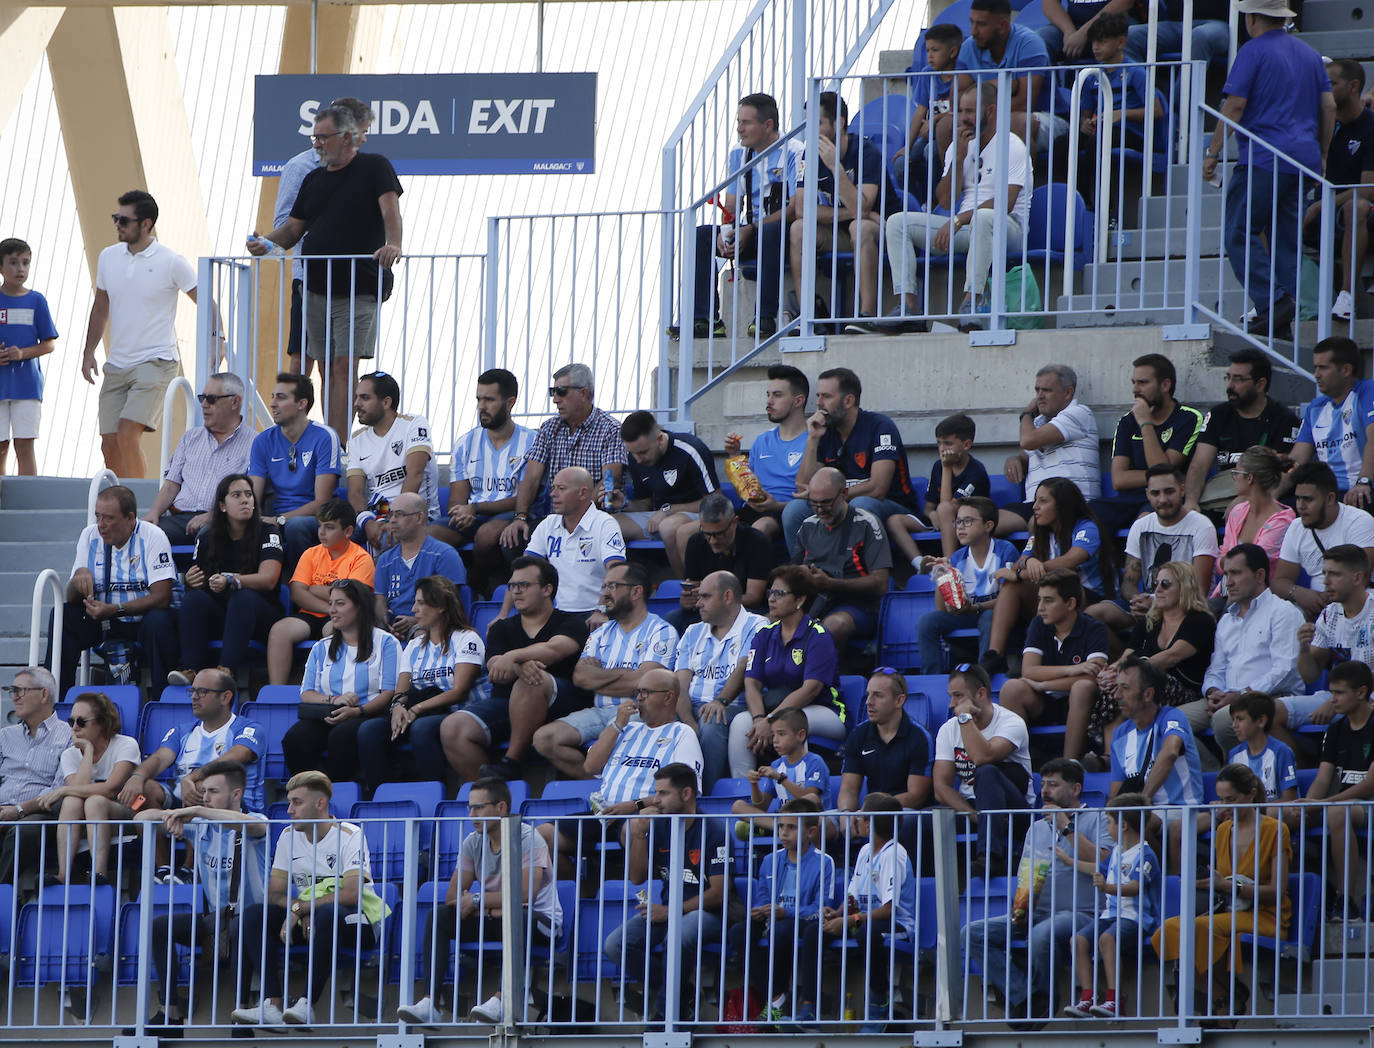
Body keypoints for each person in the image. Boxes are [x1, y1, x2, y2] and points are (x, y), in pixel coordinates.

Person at [248, 103, 403, 439]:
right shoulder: (313, 178)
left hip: (358, 285)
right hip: (317, 287)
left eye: (323, 137)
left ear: (347, 137)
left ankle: (339, 443)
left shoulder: (375, 167)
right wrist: (266, 243)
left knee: (345, 366)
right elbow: (292, 229)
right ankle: (325, 439)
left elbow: (391, 209)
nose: (317, 143)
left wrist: (393, 244)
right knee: (322, 367)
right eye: (314, 137)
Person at [1201, 0, 1333, 341]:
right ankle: (1283, 320)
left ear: (1252, 18)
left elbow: (1235, 104)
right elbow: (1328, 105)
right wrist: (1323, 152)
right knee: (1286, 241)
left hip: (1265, 157)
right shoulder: (1308, 53)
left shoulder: (1252, 51)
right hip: (1303, 157)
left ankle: (1273, 302)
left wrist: (1212, 151)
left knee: (1239, 232)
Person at [395, 777, 560, 1027]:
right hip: (496, 916)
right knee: (439, 915)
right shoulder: (473, 841)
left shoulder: (529, 838)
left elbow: (525, 895)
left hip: (539, 923)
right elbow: (452, 897)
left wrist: (476, 899)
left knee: (519, 916)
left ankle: (504, 999)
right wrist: (491, 906)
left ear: (501, 808)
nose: (472, 814)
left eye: (479, 807)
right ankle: (431, 1003)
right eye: (470, 807)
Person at [962, 759, 1112, 1028]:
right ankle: (1028, 997)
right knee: (972, 932)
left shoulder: (1098, 818)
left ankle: (1043, 998)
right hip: (1037, 911)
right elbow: (1028, 873)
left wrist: (1065, 826)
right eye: (1043, 784)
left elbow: (1104, 863)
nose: (1045, 791)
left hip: (1084, 913)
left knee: (1041, 933)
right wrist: (1021, 906)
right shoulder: (1037, 826)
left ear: (1076, 788)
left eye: (1053, 785)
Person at [231, 771, 389, 1029]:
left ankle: (307, 1005)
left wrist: (303, 908)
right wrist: (300, 910)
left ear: (320, 804)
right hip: (311, 918)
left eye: (297, 802)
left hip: (356, 920)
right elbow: (274, 893)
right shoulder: (287, 836)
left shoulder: (351, 834)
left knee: (328, 915)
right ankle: (273, 1004)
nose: (290, 810)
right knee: (254, 914)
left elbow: (351, 894)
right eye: (289, 802)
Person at [133, 759, 270, 1035]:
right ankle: (169, 1013)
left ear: (236, 794)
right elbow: (139, 818)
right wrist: (172, 814)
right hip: (216, 921)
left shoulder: (256, 820)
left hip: (256, 921)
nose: (205, 798)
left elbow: (256, 828)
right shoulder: (201, 824)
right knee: (162, 925)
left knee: (239, 924)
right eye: (203, 791)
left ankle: (240, 1014)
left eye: (213, 792)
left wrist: (196, 810)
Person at [884, 83, 1032, 331]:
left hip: (1008, 229)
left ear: (991, 111)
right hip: (967, 227)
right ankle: (908, 307)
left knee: (985, 217)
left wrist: (957, 220)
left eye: (971, 111)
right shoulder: (958, 146)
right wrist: (959, 158)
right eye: (961, 111)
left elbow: (1006, 203)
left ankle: (972, 302)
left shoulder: (1012, 145)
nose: (964, 118)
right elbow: (944, 200)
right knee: (897, 223)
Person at [1151, 763, 1291, 1016]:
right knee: (1170, 928)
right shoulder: (1223, 829)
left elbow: (1276, 892)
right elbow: (1221, 881)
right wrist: (1204, 883)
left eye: (1232, 799)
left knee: (1201, 927)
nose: (1225, 807)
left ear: (1251, 794)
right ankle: (1222, 993)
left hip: (1265, 914)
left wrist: (1227, 886)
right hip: (1228, 910)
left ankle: (1221, 1004)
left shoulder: (1275, 829)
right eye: (1221, 799)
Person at [537, 673, 704, 881]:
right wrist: (616, 725)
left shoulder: (682, 733)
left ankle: (638, 892)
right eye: (638, 692)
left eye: (646, 692)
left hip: (646, 813)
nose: (639, 698)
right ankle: (583, 889)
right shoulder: (626, 729)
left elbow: (683, 792)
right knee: (540, 836)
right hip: (605, 814)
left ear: (668, 697)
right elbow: (590, 766)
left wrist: (634, 805)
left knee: (634, 825)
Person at [441, 557, 590, 785]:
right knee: (453, 728)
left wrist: (514, 657)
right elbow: (495, 668)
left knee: (532, 679)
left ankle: (512, 761)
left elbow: (556, 649)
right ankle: (494, 795)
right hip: (507, 704)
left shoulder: (571, 621)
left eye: (524, 586)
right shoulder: (501, 628)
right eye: (512, 586)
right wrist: (520, 664)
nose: (515, 593)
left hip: (562, 704)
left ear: (547, 589)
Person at [83, 189, 199, 479]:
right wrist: (88, 352)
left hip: (156, 361)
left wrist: (217, 339)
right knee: (109, 444)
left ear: (145, 224)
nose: (118, 225)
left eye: (124, 220)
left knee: (127, 434)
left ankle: (140, 505)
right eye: (116, 218)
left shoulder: (171, 261)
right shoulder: (108, 257)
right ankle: (120, 505)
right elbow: (100, 308)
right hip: (117, 363)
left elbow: (205, 299)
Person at [669, 92, 800, 340]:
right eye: (739, 122)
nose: (739, 129)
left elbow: (794, 208)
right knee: (703, 236)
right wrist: (727, 232)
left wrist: (750, 228)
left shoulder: (794, 151)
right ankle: (704, 318)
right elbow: (731, 204)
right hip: (750, 231)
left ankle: (765, 318)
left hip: (783, 234)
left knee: (770, 232)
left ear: (768, 125)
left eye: (745, 123)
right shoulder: (738, 155)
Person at [534, 562, 678, 778]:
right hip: (599, 712)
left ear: (636, 591)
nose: (604, 594)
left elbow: (644, 685)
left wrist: (601, 676)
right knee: (544, 739)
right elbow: (581, 677)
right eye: (604, 587)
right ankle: (599, 787)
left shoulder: (661, 631)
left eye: (612, 586)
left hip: (638, 712)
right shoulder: (600, 633)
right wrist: (629, 677)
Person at [606, 763, 726, 1021]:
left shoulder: (713, 829)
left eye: (663, 793)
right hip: (668, 911)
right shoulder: (658, 826)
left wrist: (671, 911)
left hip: (707, 913)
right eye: (656, 793)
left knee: (678, 934)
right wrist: (639, 831)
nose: (655, 801)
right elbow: (637, 877)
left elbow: (718, 894)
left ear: (686, 794)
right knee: (615, 945)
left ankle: (666, 1014)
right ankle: (682, 992)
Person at [117, 668, 267, 876]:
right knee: (145, 790)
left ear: (225, 697)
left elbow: (235, 756)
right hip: (184, 804)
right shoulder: (183, 731)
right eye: (193, 691)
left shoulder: (248, 729)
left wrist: (192, 778)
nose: (194, 697)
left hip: (235, 809)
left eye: (202, 692)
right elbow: (159, 758)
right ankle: (163, 868)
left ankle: (188, 869)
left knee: (203, 788)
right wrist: (137, 777)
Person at [793, 793, 916, 1033]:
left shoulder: (894, 854)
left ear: (870, 822)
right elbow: (853, 896)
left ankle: (879, 1006)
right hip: (864, 920)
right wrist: (836, 913)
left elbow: (890, 910)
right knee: (814, 931)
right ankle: (810, 1009)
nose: (856, 820)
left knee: (867, 933)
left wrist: (850, 919)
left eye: (860, 815)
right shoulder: (864, 851)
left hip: (897, 924)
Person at [357, 576, 483, 791]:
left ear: (442, 606)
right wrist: (398, 707)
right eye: (415, 602)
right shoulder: (414, 646)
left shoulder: (467, 639)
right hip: (421, 710)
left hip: (459, 711)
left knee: (421, 729)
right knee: (369, 730)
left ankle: (435, 793)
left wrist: (414, 709)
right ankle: (383, 795)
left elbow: (459, 691)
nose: (414, 609)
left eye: (421, 603)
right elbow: (402, 688)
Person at [982, 477, 1113, 675]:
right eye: (1035, 500)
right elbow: (1021, 561)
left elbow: (1070, 561)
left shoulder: (1086, 527)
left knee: (1041, 590)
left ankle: (1035, 656)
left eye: (1043, 501)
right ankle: (994, 656)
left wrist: (1027, 571)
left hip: (1087, 596)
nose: (1035, 507)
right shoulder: (1042, 532)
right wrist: (1028, 562)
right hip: (1053, 595)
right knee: (1012, 587)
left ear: (1062, 505)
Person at [783, 367, 921, 555]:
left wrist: (832, 498)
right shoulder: (825, 430)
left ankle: (855, 575)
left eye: (826, 397)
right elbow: (803, 487)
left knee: (860, 506)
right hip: (840, 502)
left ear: (848, 400)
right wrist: (812, 439)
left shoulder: (880, 426)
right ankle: (804, 574)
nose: (819, 404)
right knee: (794, 511)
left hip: (892, 506)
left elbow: (878, 488)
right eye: (818, 396)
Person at [53, 484, 175, 695]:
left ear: (130, 519)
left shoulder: (153, 536)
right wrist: (77, 580)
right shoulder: (89, 536)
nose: (101, 525)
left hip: (141, 620)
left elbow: (162, 597)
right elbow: (72, 597)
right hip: (103, 620)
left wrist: (115, 609)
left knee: (159, 621)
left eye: (109, 518)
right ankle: (59, 698)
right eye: (98, 516)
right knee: (63, 615)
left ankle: (161, 696)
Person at [730, 565, 849, 776]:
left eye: (780, 593)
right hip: (775, 709)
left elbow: (810, 689)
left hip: (824, 710)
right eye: (770, 592)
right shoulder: (764, 634)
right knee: (741, 723)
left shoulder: (818, 635)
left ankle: (798, 789)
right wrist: (759, 718)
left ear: (800, 600)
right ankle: (746, 791)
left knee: (789, 725)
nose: (771, 599)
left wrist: (771, 720)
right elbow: (751, 683)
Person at [499, 363, 628, 556]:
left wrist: (577, 516)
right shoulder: (549, 428)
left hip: (593, 518)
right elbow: (531, 478)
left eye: (561, 392)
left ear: (584, 393)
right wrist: (520, 517)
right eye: (553, 392)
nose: (555, 399)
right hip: (553, 520)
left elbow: (610, 481)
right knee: (514, 539)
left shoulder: (610, 429)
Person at [281, 579, 401, 783]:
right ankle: (308, 790)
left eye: (340, 604)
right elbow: (307, 693)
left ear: (360, 607)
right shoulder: (321, 647)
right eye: (331, 604)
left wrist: (357, 711)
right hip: (331, 711)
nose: (332, 610)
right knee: (295, 739)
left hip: (370, 713)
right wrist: (335, 700)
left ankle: (336, 793)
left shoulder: (386, 642)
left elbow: (389, 692)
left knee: (342, 735)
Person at [432, 368, 539, 594]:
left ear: (510, 402)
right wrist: (461, 513)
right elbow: (457, 500)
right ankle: (434, 596)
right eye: (479, 399)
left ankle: (478, 584)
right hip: (474, 513)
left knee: (488, 535)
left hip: (513, 513)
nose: (481, 406)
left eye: (489, 399)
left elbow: (523, 498)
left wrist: (476, 507)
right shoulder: (465, 442)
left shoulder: (532, 442)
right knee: (427, 537)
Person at [727, 798, 835, 1019]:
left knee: (783, 929)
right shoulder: (769, 860)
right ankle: (775, 997)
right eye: (781, 827)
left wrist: (788, 912)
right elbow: (763, 895)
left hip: (801, 920)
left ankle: (780, 1005)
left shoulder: (824, 862)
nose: (783, 833)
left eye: (791, 827)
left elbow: (822, 908)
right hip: (773, 918)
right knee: (738, 932)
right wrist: (759, 909)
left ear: (811, 832)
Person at [170, 474, 284, 681]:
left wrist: (232, 580)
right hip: (223, 613)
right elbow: (199, 582)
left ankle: (226, 669)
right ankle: (190, 669)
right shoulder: (206, 536)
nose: (245, 500)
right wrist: (191, 581)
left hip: (261, 615)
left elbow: (269, 579)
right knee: (194, 599)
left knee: (243, 596)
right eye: (237, 495)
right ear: (222, 505)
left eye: (249, 495)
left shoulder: (268, 531)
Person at [1193, 544, 1305, 754]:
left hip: (1272, 698)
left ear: (1260, 575)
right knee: (1172, 723)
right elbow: (1216, 668)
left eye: (1236, 573)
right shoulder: (1226, 620)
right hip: (1228, 698)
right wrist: (1213, 691)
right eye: (1226, 574)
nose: (1229, 582)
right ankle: (1213, 775)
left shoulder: (1283, 612)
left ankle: (1240, 777)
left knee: (1223, 720)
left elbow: (1285, 670)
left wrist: (1242, 695)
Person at [790, 91, 884, 331]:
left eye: (818, 123)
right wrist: (854, 212)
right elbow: (802, 209)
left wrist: (835, 167)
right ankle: (806, 316)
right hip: (841, 231)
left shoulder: (866, 151)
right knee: (799, 228)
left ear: (839, 122)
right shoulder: (808, 156)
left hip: (880, 230)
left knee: (860, 226)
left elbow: (862, 206)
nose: (811, 131)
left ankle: (866, 315)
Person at [1097, 562, 1216, 750]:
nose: (1158, 590)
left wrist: (1134, 672)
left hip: (1186, 692)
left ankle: (1113, 756)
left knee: (1133, 684)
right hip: (1149, 685)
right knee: (1115, 687)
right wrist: (1111, 672)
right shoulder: (1148, 622)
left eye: (1166, 584)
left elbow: (1172, 656)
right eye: (1155, 584)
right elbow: (1126, 657)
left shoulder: (1200, 620)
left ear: (1185, 587)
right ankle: (1111, 756)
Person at [1062, 792, 1159, 1021]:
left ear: (1123, 825)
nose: (1107, 827)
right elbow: (1098, 869)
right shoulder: (1116, 850)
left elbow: (1136, 887)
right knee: (1078, 940)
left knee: (1107, 939)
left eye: (1109, 822)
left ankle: (1115, 999)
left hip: (1135, 918)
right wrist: (1068, 861)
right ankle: (1087, 998)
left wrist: (1106, 888)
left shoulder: (1145, 854)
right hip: (1112, 915)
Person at [1087, 464, 1219, 633]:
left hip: (1188, 607)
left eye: (1169, 491)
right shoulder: (1141, 526)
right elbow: (1128, 584)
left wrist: (1157, 603)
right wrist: (1138, 600)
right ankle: (1120, 657)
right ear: (1147, 495)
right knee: (1092, 615)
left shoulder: (1201, 526)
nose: (1162, 499)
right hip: (1149, 603)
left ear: (1182, 490)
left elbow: (1200, 590)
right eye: (1156, 493)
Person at [998, 570, 1110, 761]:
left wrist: (1045, 685)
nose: (1040, 607)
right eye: (1039, 600)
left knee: (1082, 687)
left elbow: (1093, 677)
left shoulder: (1094, 628)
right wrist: (1072, 669)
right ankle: (1018, 762)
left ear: (1070, 603)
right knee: (1011, 688)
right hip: (1044, 702)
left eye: (1048, 601)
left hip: (1082, 704)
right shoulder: (1039, 624)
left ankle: (1069, 765)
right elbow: (1029, 670)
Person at [1108, 656, 1206, 873]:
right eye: (1116, 688)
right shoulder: (1120, 734)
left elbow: (1170, 752)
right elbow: (1116, 789)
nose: (1117, 695)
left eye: (1124, 688)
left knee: (1136, 823)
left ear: (1148, 694)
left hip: (1181, 807)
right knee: (1109, 827)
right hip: (1147, 812)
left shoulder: (1171, 716)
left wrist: (1142, 801)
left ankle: (1161, 879)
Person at [933, 662, 1033, 872]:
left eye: (958, 696)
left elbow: (982, 756)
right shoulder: (947, 730)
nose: (952, 704)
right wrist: (972, 814)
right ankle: (935, 887)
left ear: (980, 693)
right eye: (950, 696)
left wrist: (964, 718)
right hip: (971, 808)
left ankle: (989, 858)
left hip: (1013, 811)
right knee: (922, 823)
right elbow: (941, 787)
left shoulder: (1011, 722)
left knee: (986, 772)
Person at [265, 498, 376, 685]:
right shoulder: (311, 553)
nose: (322, 533)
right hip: (313, 613)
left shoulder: (361, 558)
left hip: (344, 618)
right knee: (279, 631)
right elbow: (297, 593)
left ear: (348, 531)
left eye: (330, 527)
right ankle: (277, 691)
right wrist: (332, 604)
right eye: (320, 526)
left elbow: (354, 597)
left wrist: (315, 589)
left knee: (333, 630)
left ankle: (335, 688)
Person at [675, 570, 768, 790]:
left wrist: (720, 701)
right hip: (691, 707)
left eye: (705, 597)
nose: (698, 604)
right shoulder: (692, 632)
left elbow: (744, 667)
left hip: (733, 706)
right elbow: (680, 683)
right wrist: (688, 721)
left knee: (711, 719)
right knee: (646, 721)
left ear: (727, 597)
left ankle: (705, 796)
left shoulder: (757, 625)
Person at [36, 691, 138, 885]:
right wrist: (88, 751)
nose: (74, 727)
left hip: (121, 813)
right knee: (73, 801)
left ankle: (99, 872)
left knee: (95, 801)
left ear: (102, 723)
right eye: (71, 721)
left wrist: (63, 790)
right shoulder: (70, 754)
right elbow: (77, 791)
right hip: (81, 821)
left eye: (81, 722)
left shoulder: (125, 745)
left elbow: (111, 790)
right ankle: (63, 873)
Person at [1183, 350, 1301, 518]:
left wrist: (1249, 498)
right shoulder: (1218, 415)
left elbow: (1285, 470)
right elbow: (1199, 465)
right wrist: (1191, 501)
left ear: (1260, 384)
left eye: (1238, 380)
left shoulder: (1283, 418)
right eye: (1229, 377)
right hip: (1222, 492)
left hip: (1263, 493)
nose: (1230, 386)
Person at [143, 373, 254, 547]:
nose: (204, 405)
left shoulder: (254, 443)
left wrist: (213, 516)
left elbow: (250, 495)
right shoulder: (190, 438)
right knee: (141, 533)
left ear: (235, 402)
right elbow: (172, 484)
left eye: (211, 399)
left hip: (223, 520)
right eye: (202, 398)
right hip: (180, 517)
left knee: (208, 535)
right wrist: (154, 512)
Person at [1302, 660, 1374, 921]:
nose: (1333, 699)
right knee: (1289, 814)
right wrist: (1307, 804)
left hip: (1367, 802)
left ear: (1361, 692)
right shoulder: (1335, 729)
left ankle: (1347, 901)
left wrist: (1327, 803)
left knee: (1336, 813)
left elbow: (1369, 784)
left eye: (1339, 693)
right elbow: (1323, 778)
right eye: (1331, 692)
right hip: (1344, 802)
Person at [1100, 353, 1205, 531]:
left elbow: (1163, 476)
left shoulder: (1188, 418)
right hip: (1128, 499)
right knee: (1084, 516)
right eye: (1134, 383)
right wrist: (1169, 474)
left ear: (1165, 385)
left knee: (1146, 520)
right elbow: (1119, 479)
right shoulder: (1127, 421)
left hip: (1165, 498)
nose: (1135, 390)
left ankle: (1135, 560)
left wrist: (1145, 423)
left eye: (1143, 383)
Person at [248, 372, 343, 566]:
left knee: (295, 526)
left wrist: (280, 520)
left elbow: (322, 502)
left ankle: (299, 587)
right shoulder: (262, 441)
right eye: (273, 397)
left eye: (281, 398)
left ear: (301, 404)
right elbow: (252, 495)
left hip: (313, 518)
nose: (273, 403)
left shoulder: (325, 437)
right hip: (274, 515)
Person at [1070, 16, 1164, 210]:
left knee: (1097, 142)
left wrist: (1122, 114)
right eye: (1094, 41)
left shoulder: (1136, 72)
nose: (1095, 47)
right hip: (1103, 131)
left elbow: (1156, 111)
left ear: (1121, 42)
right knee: (1064, 144)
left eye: (1102, 41)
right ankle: (1080, 204)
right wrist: (1084, 123)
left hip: (1132, 133)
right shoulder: (1092, 75)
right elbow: (1086, 113)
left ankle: (1107, 209)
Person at [916, 496, 1020, 672]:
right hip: (968, 614)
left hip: (996, 615)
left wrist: (974, 607)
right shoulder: (957, 557)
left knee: (989, 617)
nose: (961, 527)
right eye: (957, 522)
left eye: (968, 521)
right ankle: (932, 676)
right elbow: (942, 610)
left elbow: (1008, 601)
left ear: (988, 526)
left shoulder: (1005, 551)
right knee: (927, 621)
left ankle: (985, 673)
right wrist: (942, 577)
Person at [794, 467, 893, 650]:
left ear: (844, 494)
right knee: (764, 623)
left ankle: (825, 677)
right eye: (814, 504)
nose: (820, 510)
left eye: (826, 503)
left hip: (859, 606)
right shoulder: (808, 526)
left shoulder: (866, 523)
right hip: (815, 602)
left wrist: (831, 583)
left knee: (831, 628)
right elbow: (792, 575)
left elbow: (881, 583)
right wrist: (801, 575)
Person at [1287, 543, 1374, 749]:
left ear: (1357, 577)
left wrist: (1336, 701)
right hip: (1337, 698)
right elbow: (1311, 675)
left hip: (1366, 698)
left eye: (1334, 574)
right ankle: (1302, 769)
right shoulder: (1329, 614)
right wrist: (1304, 649)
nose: (1325, 581)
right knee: (1267, 713)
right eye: (1324, 573)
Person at [615, 410, 719, 577]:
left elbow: (715, 503)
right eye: (633, 453)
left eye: (642, 452)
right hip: (657, 517)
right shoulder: (636, 459)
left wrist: (669, 510)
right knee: (607, 524)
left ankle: (685, 589)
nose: (638, 459)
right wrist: (624, 504)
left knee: (669, 527)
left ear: (660, 439)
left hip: (696, 515)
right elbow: (645, 503)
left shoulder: (689, 449)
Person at [1000, 363, 1101, 533]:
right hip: (1034, 504)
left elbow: (1028, 441)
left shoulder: (1079, 413)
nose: (1039, 396)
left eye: (1046, 390)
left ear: (1068, 393)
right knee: (980, 523)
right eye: (1037, 390)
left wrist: (1026, 414)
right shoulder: (1038, 423)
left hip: (1071, 503)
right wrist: (1014, 460)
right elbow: (1026, 454)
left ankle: (1036, 561)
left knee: (1038, 523)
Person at [951, 0, 1061, 153]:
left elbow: (1025, 103)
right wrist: (995, 85)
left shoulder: (1030, 43)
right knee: (946, 126)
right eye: (972, 23)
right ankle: (959, 177)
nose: (973, 31)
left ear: (1002, 26)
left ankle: (1021, 177)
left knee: (1017, 121)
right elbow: (956, 99)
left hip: (1044, 116)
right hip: (986, 117)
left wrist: (979, 109)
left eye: (981, 24)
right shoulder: (968, 46)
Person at [345, 371, 439, 550]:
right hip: (377, 513)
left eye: (364, 398)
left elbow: (415, 475)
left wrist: (396, 518)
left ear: (386, 402)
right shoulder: (357, 439)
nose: (356, 404)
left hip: (415, 513)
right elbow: (355, 493)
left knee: (386, 537)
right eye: (357, 397)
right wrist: (367, 522)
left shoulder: (414, 424)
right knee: (335, 535)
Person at [1310, 61, 1374, 321]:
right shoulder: (1322, 122)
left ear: (1354, 86)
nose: (1325, 89)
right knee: (1265, 213)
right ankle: (1279, 301)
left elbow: (1368, 189)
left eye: (1332, 84)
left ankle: (1347, 296)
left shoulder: (1370, 126)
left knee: (1355, 206)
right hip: (1322, 207)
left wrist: (1320, 206)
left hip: (1356, 211)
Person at [519, 466, 626, 617]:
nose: (553, 494)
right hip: (556, 614)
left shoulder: (604, 523)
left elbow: (617, 571)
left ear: (582, 493)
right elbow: (523, 570)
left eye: (561, 488)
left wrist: (602, 609)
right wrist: (503, 614)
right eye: (553, 488)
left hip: (594, 612)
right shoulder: (548, 524)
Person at [1273, 462, 1374, 618]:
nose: (1300, 506)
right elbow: (1279, 582)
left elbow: (1360, 579)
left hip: (1357, 607)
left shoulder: (1359, 522)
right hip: (1314, 609)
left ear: (1330, 498)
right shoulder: (1296, 527)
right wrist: (1299, 594)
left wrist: (1321, 601)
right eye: (1298, 498)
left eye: (1308, 499)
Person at [722, 364, 810, 540]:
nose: (769, 401)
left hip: (786, 511)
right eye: (768, 395)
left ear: (798, 401)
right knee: (698, 531)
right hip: (753, 510)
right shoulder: (762, 440)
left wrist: (777, 506)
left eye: (777, 395)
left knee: (760, 528)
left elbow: (817, 496)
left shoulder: (814, 440)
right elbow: (747, 486)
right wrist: (734, 456)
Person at [0, 667, 70, 884]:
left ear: (44, 695)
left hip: (39, 814)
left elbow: (58, 790)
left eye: (20, 690)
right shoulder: (5, 736)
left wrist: (19, 810)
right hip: (3, 808)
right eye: (12, 690)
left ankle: (3, 893)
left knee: (26, 832)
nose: (14, 697)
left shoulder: (68, 734)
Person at [1285, 337, 1374, 500]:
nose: (1316, 375)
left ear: (1346, 370)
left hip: (1362, 489)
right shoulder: (1315, 407)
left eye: (1323, 368)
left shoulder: (1368, 392)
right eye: (1315, 368)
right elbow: (1297, 460)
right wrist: (1269, 498)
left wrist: (1364, 481)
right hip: (1326, 495)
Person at [673, 493, 776, 631]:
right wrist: (688, 600)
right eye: (707, 534)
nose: (713, 541)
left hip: (745, 611)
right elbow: (693, 588)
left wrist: (718, 600)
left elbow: (754, 597)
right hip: (708, 609)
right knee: (673, 620)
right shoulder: (695, 542)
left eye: (719, 534)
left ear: (734, 522)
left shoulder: (757, 542)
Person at [373, 491, 466, 639]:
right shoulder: (385, 560)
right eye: (391, 515)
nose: (392, 520)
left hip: (430, 627)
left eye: (399, 514)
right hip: (391, 630)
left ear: (419, 517)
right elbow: (380, 600)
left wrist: (416, 621)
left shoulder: (444, 555)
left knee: (421, 634)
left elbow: (451, 603)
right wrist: (386, 622)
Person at [0, 237, 57, 475]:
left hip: (27, 385)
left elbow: (48, 343)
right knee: (1, 447)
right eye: (13, 262)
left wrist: (22, 353)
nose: (20, 269)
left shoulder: (37, 300)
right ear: (1, 267)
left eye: (25, 263)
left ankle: (27, 500)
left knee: (24, 445)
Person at [837, 669, 933, 810]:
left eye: (878, 696)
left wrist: (872, 812)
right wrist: (846, 816)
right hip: (871, 812)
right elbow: (849, 789)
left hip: (907, 812)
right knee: (826, 823)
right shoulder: (858, 734)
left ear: (899, 700)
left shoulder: (920, 737)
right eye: (868, 695)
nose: (869, 702)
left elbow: (916, 796)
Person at [1208, 446, 1295, 599]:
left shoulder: (1282, 521)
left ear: (1249, 478)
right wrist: (1229, 564)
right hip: (1226, 593)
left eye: (1236, 473)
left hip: (1261, 599)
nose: (1234, 478)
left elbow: (1254, 567)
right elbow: (1220, 561)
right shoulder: (1237, 512)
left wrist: (1227, 563)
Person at [893, 24, 963, 209]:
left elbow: (962, 112)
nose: (929, 56)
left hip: (952, 135)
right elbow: (920, 110)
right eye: (927, 50)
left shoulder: (963, 76)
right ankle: (914, 204)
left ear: (953, 52)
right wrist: (907, 146)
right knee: (901, 163)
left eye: (935, 50)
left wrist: (936, 120)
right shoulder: (927, 74)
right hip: (927, 135)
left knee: (929, 151)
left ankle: (935, 203)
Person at [733, 707, 829, 824]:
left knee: (811, 798)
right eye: (773, 735)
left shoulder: (814, 762)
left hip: (810, 822)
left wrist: (780, 778)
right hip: (783, 819)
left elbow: (809, 801)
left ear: (801, 735)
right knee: (738, 806)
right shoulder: (776, 765)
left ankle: (782, 826)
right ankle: (781, 827)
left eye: (781, 734)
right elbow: (761, 808)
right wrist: (754, 784)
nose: (775, 740)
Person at [918, 412, 992, 558]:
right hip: (943, 522)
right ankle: (917, 563)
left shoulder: (976, 471)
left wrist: (947, 467)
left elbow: (948, 507)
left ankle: (950, 565)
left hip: (969, 521)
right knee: (896, 521)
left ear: (966, 445)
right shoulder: (938, 466)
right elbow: (928, 507)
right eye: (939, 443)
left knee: (944, 508)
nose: (942, 448)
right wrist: (932, 514)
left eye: (948, 443)